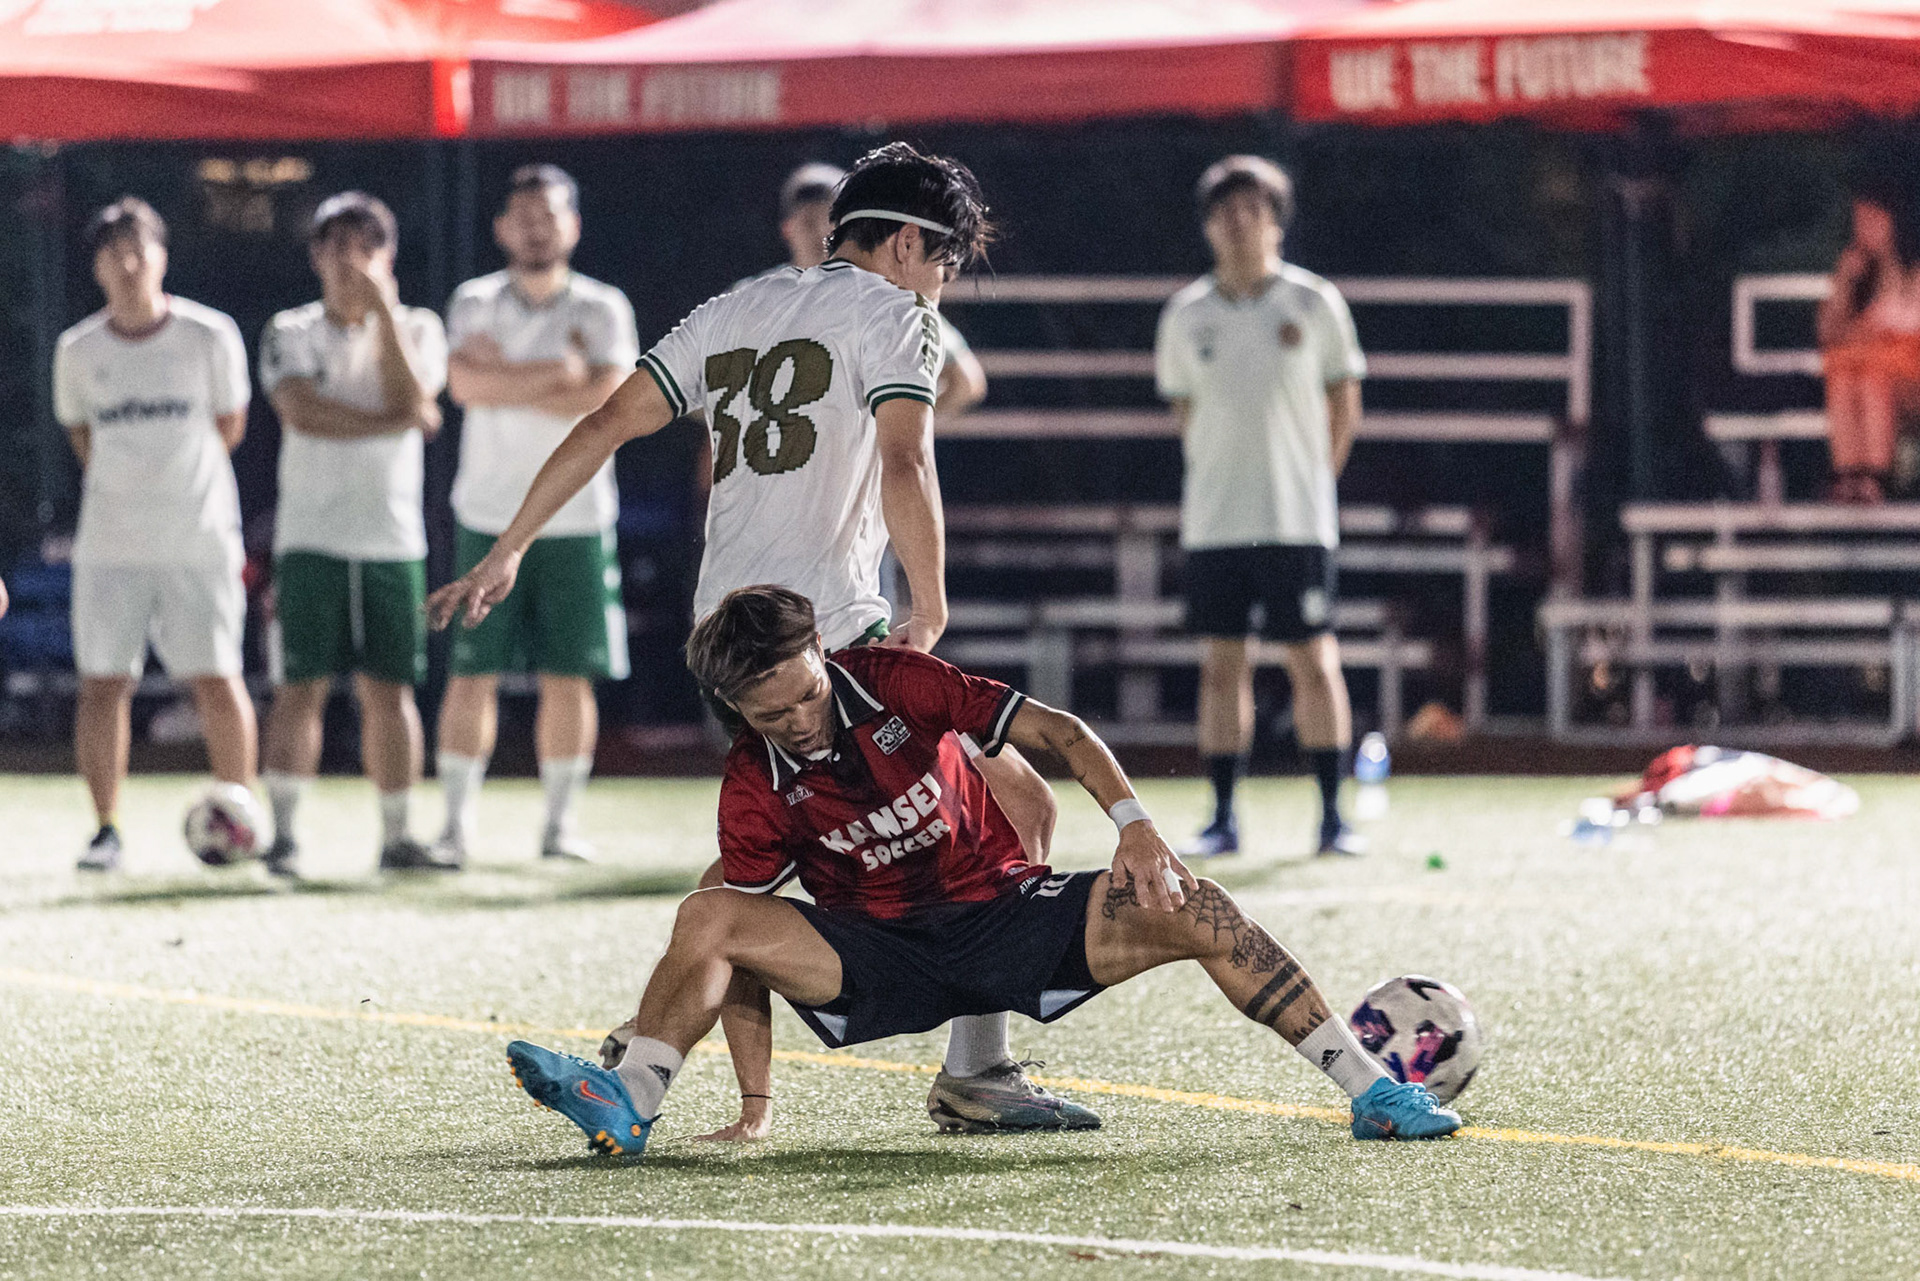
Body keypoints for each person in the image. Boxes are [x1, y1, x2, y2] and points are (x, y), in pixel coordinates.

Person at [430, 143, 1091, 1135]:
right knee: (1014, 803)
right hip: (825, 631)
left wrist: (508, 548)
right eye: (945, 262)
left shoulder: (736, 307)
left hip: (722, 637)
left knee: (764, 862)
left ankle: (644, 1060)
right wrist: (932, 604)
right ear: (909, 243)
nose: (943, 285)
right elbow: (908, 461)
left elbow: (610, 421)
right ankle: (977, 1072)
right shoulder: (897, 314)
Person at [498, 585, 1461, 1156]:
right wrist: (755, 1106)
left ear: (821, 654)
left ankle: (1373, 1090)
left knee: (1200, 908)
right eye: (766, 714)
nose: (794, 720)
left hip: (1005, 915)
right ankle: (633, 1102)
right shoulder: (753, 785)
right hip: (875, 957)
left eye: (800, 694)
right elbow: (735, 949)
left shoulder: (902, 681)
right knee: (708, 908)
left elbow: (1063, 733)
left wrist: (1136, 830)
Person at [1155, 156, 1366, 859]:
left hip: (1296, 519)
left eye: (1253, 209)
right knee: (1222, 664)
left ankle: (1334, 817)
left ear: (1276, 219)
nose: (1240, 222)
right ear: (1209, 224)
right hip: (1216, 521)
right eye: (1226, 211)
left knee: (1313, 659)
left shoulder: (1313, 304)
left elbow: (1344, 408)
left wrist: (1310, 482)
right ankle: (1221, 814)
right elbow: (1187, 413)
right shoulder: (1187, 315)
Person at [432, 165, 638, 866]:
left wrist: (511, 382)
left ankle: (559, 826)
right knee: (471, 671)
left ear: (574, 223)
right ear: (500, 228)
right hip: (487, 510)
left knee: (568, 673)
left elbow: (612, 401)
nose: (536, 226)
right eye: (522, 215)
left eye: (549, 214)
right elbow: (462, 384)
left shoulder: (604, 305)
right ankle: (456, 828)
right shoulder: (475, 299)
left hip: (578, 515)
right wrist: (562, 374)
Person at [53, 198, 258, 872]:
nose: (128, 261)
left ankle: (241, 817)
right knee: (103, 684)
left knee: (217, 678)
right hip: (110, 546)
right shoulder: (77, 350)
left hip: (198, 539)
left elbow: (230, 426)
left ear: (163, 255)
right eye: (113, 250)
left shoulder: (209, 335)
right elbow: (84, 437)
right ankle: (106, 828)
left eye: (139, 247)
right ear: (97, 266)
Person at [257, 192, 449, 874]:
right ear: (315, 256)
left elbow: (414, 396)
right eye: (336, 247)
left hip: (393, 539)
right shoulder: (290, 328)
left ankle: (397, 838)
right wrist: (398, 419)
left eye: (365, 247)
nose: (350, 262)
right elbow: (303, 412)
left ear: (387, 256)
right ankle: (282, 836)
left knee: (390, 689)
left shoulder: (419, 325)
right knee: (299, 686)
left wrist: (385, 313)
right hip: (309, 536)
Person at [748, 161, 988, 417]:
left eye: (827, 220)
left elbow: (966, 382)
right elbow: (707, 400)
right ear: (788, 228)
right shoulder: (750, 299)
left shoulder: (885, 297)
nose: (820, 232)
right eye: (808, 221)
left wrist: (890, 426)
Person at [1819, 189, 1920, 505]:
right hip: (1870, 372)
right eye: (1859, 221)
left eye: (1872, 220)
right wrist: (1845, 284)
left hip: (1908, 381)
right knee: (1844, 377)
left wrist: (1863, 332)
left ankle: (1876, 478)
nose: (1864, 229)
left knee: (1873, 376)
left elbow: (1905, 324)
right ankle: (1851, 477)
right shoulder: (1852, 270)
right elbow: (1827, 333)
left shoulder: (1912, 271)